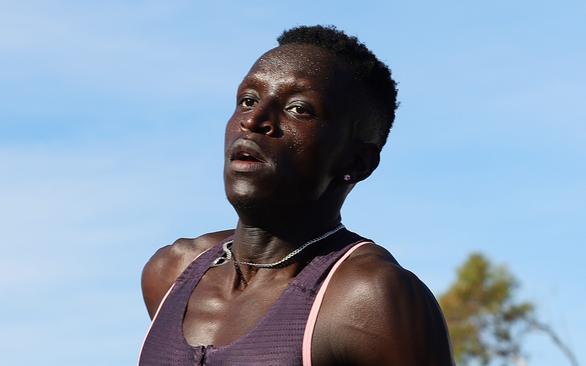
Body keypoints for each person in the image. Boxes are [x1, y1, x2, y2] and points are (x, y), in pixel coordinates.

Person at [138, 25, 454, 366]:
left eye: (299, 109)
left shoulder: (370, 299)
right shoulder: (170, 273)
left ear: (357, 162)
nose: (255, 120)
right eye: (247, 100)